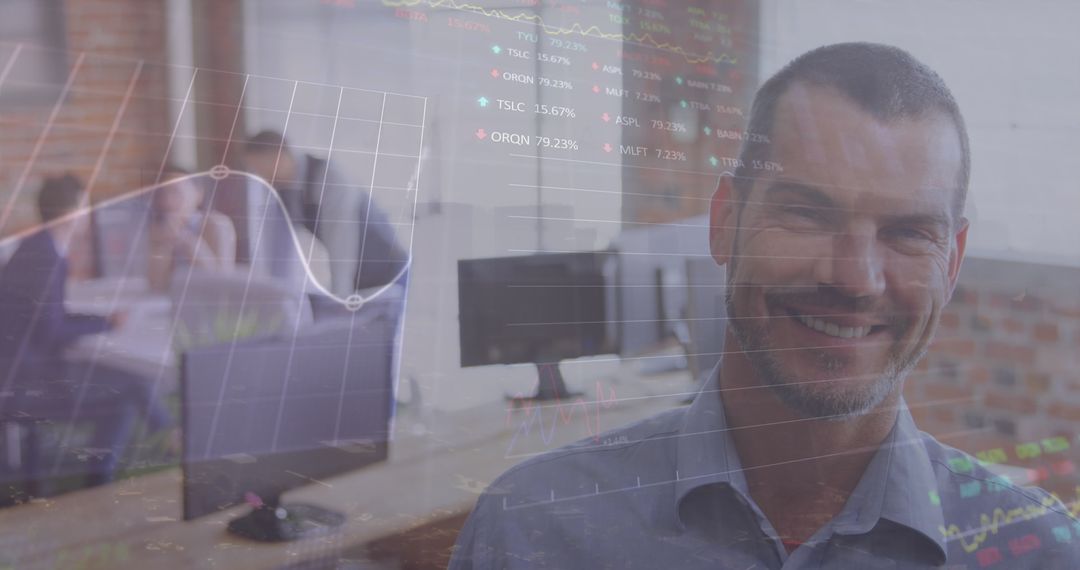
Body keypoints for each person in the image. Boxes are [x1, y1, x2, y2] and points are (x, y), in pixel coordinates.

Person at [450, 43, 1079, 568]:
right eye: (807, 213)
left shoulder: (1036, 553)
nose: (855, 279)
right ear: (725, 221)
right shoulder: (536, 532)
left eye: (909, 233)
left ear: (953, 260)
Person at [0, 174, 172, 487]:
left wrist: (102, 319)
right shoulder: (45, 257)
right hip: (23, 384)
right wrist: (104, 323)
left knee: (128, 386)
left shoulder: (38, 248)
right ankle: (164, 446)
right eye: (85, 205)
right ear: (72, 211)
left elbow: (50, 316)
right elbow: (51, 330)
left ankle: (112, 473)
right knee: (129, 386)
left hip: (23, 374)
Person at [243, 131, 408, 296]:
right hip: (358, 278)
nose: (262, 177)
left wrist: (341, 298)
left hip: (389, 273)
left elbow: (341, 242)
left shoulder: (329, 179)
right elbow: (279, 248)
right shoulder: (284, 191)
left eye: (262, 169)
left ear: (279, 156)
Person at [146, 167, 236, 292]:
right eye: (162, 194)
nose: (167, 201)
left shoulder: (217, 224)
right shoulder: (160, 230)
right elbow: (157, 286)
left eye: (175, 192)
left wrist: (189, 243)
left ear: (198, 194)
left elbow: (225, 282)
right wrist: (162, 246)